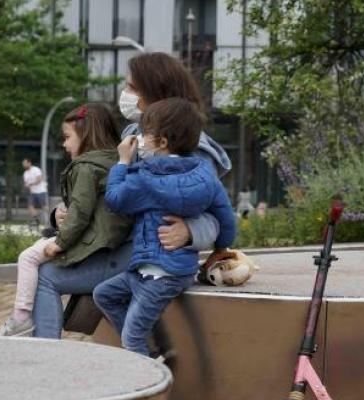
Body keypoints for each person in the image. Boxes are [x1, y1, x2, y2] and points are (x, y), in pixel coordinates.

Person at [32, 52, 234, 339]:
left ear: (154, 91)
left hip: (150, 255)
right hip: (123, 244)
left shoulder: (192, 146)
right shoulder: (132, 132)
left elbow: (217, 212)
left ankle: (46, 359)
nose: (124, 94)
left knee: (47, 277)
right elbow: (99, 188)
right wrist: (60, 214)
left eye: (131, 87)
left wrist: (189, 231)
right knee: (43, 267)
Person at [94, 98, 236, 356]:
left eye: (145, 135)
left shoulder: (144, 178)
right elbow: (225, 214)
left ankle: (149, 383)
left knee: (131, 338)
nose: (141, 139)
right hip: (171, 270)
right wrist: (222, 245)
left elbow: (115, 199)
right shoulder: (205, 174)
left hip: (158, 275)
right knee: (104, 294)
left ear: (161, 142)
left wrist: (122, 162)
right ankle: (154, 348)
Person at [0, 104, 133, 336]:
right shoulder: (116, 160)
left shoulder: (87, 167)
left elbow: (81, 212)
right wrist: (59, 216)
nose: (64, 144)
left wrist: (60, 243)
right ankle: (39, 340)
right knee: (38, 266)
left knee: (42, 275)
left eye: (67, 137)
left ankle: (44, 346)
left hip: (112, 254)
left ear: (86, 135)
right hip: (115, 250)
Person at [22, 157, 49, 227]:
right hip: (33, 192)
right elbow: (26, 183)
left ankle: (51, 218)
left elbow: (39, 179)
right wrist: (27, 186)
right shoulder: (25, 173)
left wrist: (31, 184)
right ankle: (36, 220)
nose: (24, 165)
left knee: (44, 206)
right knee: (30, 206)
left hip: (41, 191)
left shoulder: (36, 169)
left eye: (25, 163)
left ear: (29, 163)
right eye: (23, 164)